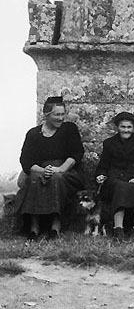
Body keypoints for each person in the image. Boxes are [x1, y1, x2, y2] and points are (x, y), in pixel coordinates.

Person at [16, 96, 86, 239]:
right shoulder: (33, 134)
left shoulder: (69, 129)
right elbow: (26, 161)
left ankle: (55, 225)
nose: (60, 118)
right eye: (56, 114)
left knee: (56, 178)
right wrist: (43, 170)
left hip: (67, 171)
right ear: (46, 115)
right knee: (35, 178)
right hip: (40, 169)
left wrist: (60, 169)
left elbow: (77, 153)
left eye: (62, 114)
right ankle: (34, 227)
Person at [95, 112, 134, 239]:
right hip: (116, 177)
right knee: (120, 186)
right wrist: (101, 175)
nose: (126, 130)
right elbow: (103, 165)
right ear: (118, 127)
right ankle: (118, 228)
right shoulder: (109, 143)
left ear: (133, 128)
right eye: (123, 127)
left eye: (129, 127)